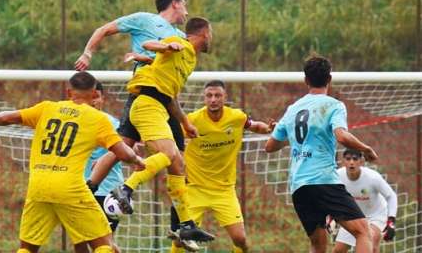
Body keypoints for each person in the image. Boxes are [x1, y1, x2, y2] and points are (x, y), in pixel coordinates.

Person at [0, 72, 145, 253]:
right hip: (71, 188)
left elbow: (8, 117)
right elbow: (122, 152)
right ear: (95, 94)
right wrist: (137, 160)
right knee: (103, 244)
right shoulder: (97, 119)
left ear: (68, 92)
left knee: (27, 248)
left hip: (38, 186)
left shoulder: (46, 108)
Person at [111, 17, 215, 243]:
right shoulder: (180, 44)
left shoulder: (189, 61)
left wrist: (186, 123)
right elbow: (149, 44)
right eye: (211, 33)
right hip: (146, 104)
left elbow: (170, 96)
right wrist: (167, 45)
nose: (211, 38)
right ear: (205, 33)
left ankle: (185, 225)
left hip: (159, 107)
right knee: (169, 155)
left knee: (178, 164)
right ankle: (126, 188)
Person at [265, 55, 379, 253]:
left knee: (318, 245)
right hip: (323, 180)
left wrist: (289, 135)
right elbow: (342, 136)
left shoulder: (293, 109)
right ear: (329, 79)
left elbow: (270, 146)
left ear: (306, 80)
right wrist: (366, 149)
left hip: (299, 186)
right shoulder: (333, 105)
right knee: (363, 232)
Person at [74, 0, 191, 150]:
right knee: (127, 144)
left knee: (175, 150)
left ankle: (130, 168)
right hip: (144, 87)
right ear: (175, 4)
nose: (187, 13)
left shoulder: (181, 37)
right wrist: (87, 54)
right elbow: (103, 30)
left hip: (167, 94)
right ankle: (99, 171)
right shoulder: (143, 19)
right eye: (185, 6)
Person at [169, 80, 275, 253]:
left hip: (224, 190)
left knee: (241, 240)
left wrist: (268, 129)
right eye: (209, 96)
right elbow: (169, 136)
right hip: (195, 189)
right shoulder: (192, 120)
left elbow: (254, 125)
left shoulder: (236, 117)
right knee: (181, 241)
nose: (213, 99)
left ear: (225, 97)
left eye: (217, 95)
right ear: (204, 98)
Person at [74, 81, 124, 253]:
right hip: (80, 189)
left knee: (104, 244)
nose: (93, 101)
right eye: (90, 97)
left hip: (107, 191)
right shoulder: (74, 123)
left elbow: (125, 148)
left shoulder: (113, 123)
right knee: (79, 242)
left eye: (97, 97)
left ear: (103, 98)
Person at [332, 148, 397, 253]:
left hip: (376, 215)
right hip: (353, 216)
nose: (351, 162)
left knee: (371, 245)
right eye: (348, 159)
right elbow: (332, 197)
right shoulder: (337, 176)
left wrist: (391, 221)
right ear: (343, 161)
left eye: (355, 159)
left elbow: (391, 196)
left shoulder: (373, 177)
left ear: (361, 161)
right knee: (338, 250)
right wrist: (331, 216)